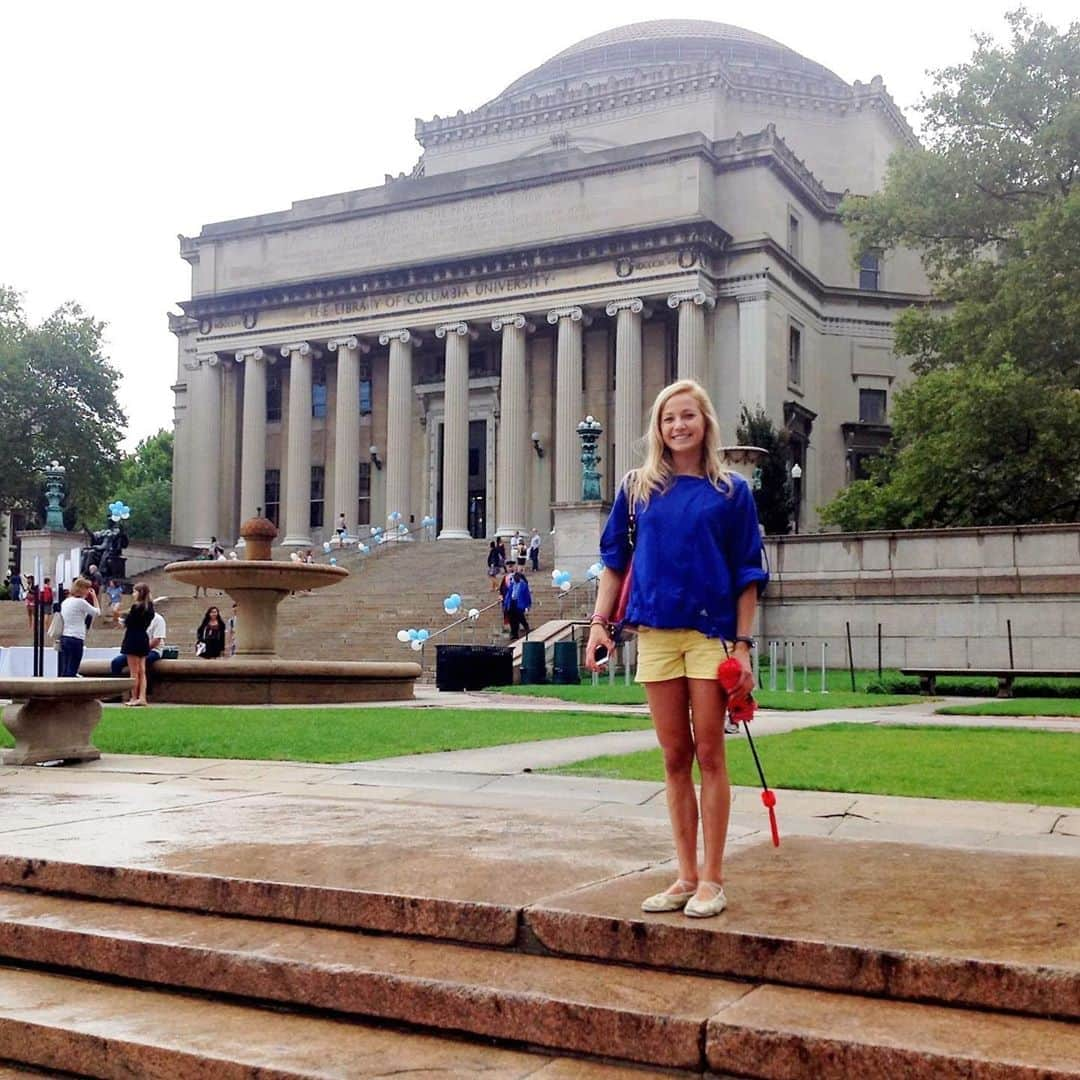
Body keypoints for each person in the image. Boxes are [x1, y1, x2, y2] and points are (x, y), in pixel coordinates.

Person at [585, 379, 768, 919]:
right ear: (658, 428)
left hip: (712, 635)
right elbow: (614, 560)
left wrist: (744, 646)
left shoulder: (731, 491)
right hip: (656, 633)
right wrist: (600, 624)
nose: (678, 426)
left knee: (710, 753)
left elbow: (748, 573)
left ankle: (714, 877)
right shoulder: (638, 489)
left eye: (688, 416)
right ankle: (685, 875)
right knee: (673, 757)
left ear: (705, 422)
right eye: (669, 418)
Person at [56, 577, 100, 678]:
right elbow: (97, 612)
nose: (88, 591)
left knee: (66, 668)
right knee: (73, 668)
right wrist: (94, 597)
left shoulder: (66, 602)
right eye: (87, 588)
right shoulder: (80, 602)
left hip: (65, 636)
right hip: (76, 637)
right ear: (82, 589)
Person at [120, 583, 155, 706]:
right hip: (143, 638)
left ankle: (134, 697)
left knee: (134, 671)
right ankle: (142, 697)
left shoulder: (136, 607)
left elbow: (127, 623)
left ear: (140, 593)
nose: (133, 594)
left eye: (135, 592)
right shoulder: (150, 608)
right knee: (142, 670)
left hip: (132, 638)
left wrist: (120, 617)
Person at [110, 607, 166, 681]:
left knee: (144, 662)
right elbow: (122, 624)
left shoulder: (158, 619)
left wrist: (141, 648)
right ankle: (117, 688)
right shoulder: (136, 617)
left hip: (153, 650)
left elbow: (156, 640)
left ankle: (147, 689)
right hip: (136, 649)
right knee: (116, 663)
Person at [503, 569, 532, 640]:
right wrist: (506, 604)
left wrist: (527, 605)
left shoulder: (523, 585)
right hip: (511, 603)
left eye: (516, 577)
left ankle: (526, 626)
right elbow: (508, 594)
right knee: (512, 619)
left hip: (519, 603)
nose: (515, 579)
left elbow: (527, 595)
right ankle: (514, 634)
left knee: (520, 616)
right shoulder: (512, 584)